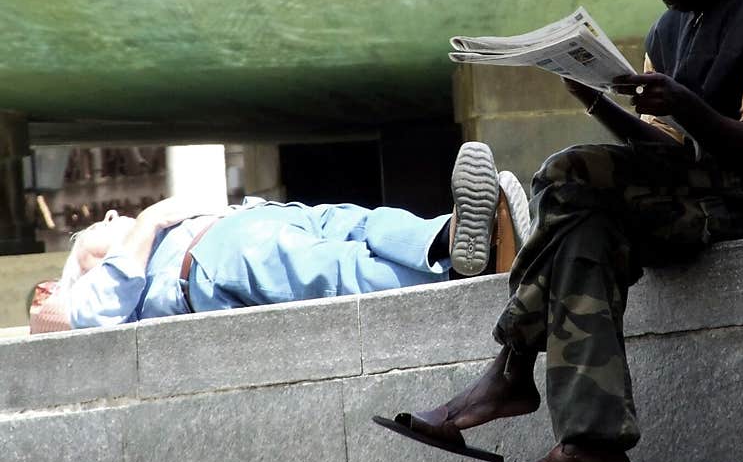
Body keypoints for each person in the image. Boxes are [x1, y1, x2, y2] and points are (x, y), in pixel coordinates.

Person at [374, 0, 743, 462]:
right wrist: (599, 103)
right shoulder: (670, 29)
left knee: (567, 172)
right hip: (702, 192)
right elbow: (665, 150)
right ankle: (591, 444)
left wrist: (685, 102)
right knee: (585, 230)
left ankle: (510, 369)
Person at [49, 142, 530, 331]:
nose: (111, 215)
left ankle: (454, 235)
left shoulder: (143, 238)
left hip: (257, 219)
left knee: (366, 223)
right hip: (216, 259)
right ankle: (472, 264)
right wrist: (151, 218)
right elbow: (89, 314)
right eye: (99, 226)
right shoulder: (92, 284)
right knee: (335, 267)